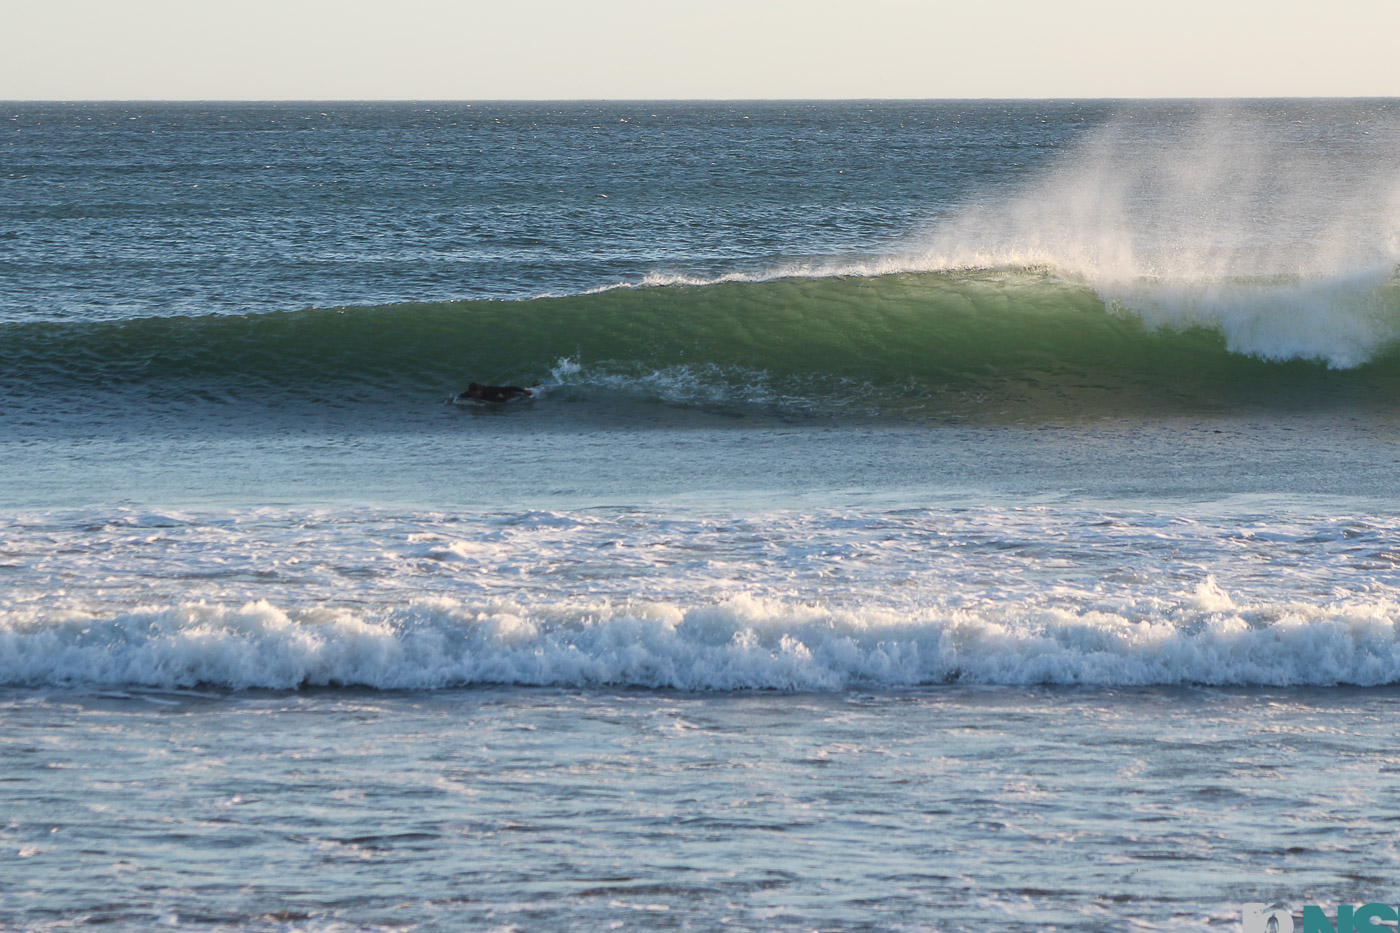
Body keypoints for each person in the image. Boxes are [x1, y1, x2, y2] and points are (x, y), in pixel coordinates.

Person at [455, 381, 541, 403]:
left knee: (523, 396)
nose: (473, 396)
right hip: (496, 401)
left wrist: (524, 391)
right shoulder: (470, 393)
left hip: (510, 396)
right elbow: (459, 397)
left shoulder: (490, 390)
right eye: (472, 394)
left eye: (475, 394)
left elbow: (508, 388)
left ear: (479, 390)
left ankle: (534, 386)